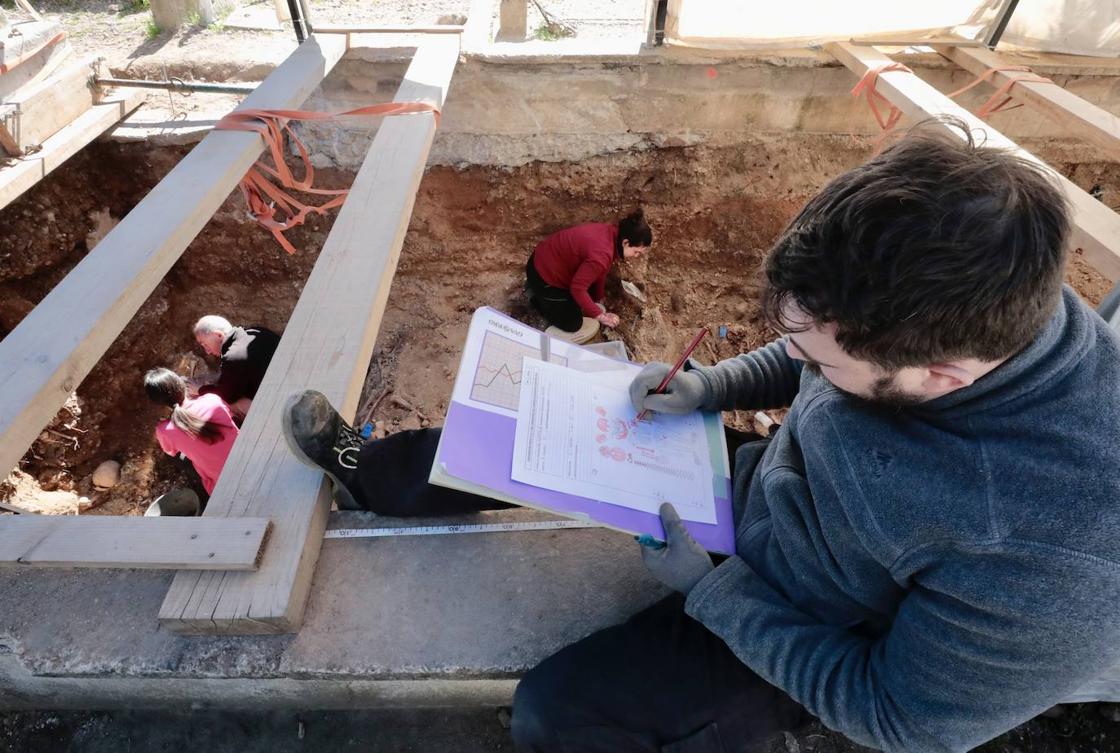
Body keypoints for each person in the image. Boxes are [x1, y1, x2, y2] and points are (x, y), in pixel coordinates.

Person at [280, 120, 1120, 753]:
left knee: (553, 711)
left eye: (823, 358)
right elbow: (812, 359)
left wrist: (715, 596)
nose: (801, 364)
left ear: (942, 376)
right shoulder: (994, 290)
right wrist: (710, 388)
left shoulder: (1057, 564)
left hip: (805, 619)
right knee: (545, 426)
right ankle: (373, 474)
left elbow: (901, 714)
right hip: (761, 493)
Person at [526, 209, 652, 344]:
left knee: (582, 301)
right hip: (543, 277)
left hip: (544, 258)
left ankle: (548, 297)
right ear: (626, 243)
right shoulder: (601, 255)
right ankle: (537, 298)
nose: (636, 256)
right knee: (573, 324)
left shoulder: (610, 233)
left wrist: (597, 300)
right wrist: (599, 315)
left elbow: (600, 272)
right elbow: (577, 288)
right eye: (636, 252)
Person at [145, 368, 239, 496]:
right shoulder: (212, 400)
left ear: (158, 403)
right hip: (249, 460)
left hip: (223, 488)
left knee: (176, 456)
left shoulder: (164, 430)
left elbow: (170, 452)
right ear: (181, 384)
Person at [192, 315, 281, 421]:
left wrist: (199, 389)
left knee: (226, 404)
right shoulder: (257, 331)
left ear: (218, 335)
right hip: (286, 378)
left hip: (278, 402)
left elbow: (226, 396)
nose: (207, 351)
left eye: (205, 345)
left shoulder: (233, 356)